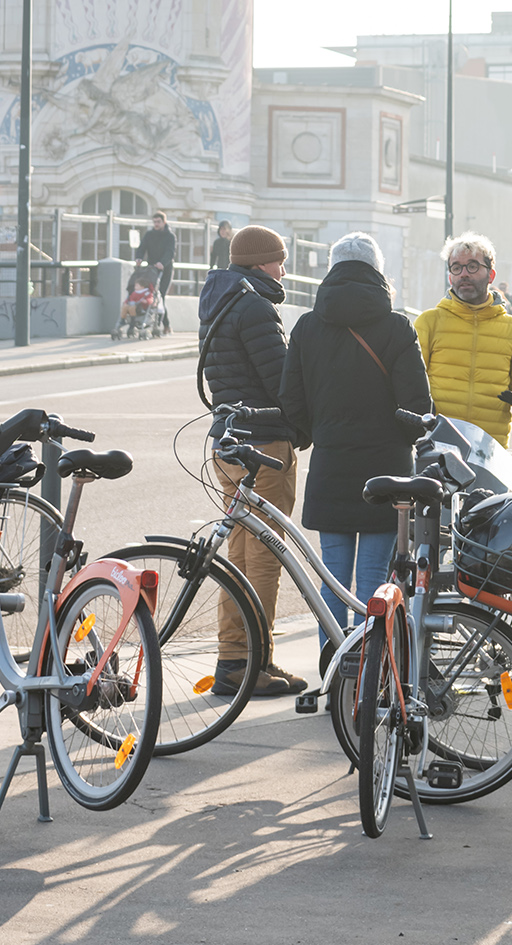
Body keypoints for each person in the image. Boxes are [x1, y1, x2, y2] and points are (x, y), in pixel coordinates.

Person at [280, 233, 432, 638]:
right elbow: (417, 405)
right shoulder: (398, 328)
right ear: (377, 271)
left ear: (333, 269)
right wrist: (400, 438)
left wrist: (322, 432)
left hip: (331, 462)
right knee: (372, 579)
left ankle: (333, 674)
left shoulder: (307, 327)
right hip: (386, 468)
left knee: (332, 578)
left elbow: (290, 401)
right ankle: (369, 680)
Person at [198, 223, 307, 698]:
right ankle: (255, 663)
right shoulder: (256, 306)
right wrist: (304, 424)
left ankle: (232, 658)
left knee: (238, 557)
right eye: (279, 260)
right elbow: (281, 380)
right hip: (264, 446)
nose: (283, 270)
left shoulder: (219, 299)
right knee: (264, 559)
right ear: (262, 261)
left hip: (229, 442)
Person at [415, 234, 512, 447]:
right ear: (450, 277)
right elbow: (411, 385)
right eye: (456, 267)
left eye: (472, 266)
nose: (464, 274)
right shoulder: (429, 322)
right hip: (437, 443)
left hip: (489, 448)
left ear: (491, 275)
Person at [134, 211, 176, 297]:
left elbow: (170, 252)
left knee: (161, 294)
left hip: (166, 268)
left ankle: (162, 309)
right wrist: (139, 257)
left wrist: (162, 263)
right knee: (149, 292)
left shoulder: (170, 236)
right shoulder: (149, 235)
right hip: (151, 268)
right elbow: (142, 247)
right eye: (154, 222)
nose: (156, 224)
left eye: (158, 222)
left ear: (164, 222)